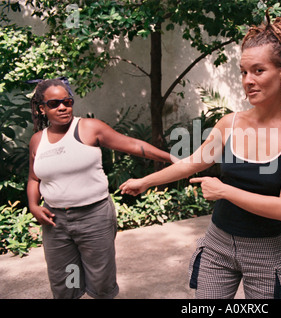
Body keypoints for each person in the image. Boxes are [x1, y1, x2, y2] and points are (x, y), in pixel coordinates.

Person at [119, 15, 281, 299]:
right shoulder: (230, 123)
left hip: (267, 252)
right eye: (244, 72)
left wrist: (224, 190)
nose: (248, 81)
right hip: (218, 244)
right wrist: (145, 181)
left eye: (258, 71)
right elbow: (192, 162)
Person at [27, 78, 173, 299]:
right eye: (54, 103)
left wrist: (174, 159)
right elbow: (33, 178)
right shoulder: (38, 140)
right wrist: (33, 206)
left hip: (94, 217)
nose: (63, 107)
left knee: (100, 281)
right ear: (42, 108)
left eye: (67, 101)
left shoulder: (88, 128)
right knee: (67, 281)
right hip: (55, 222)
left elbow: (134, 145)